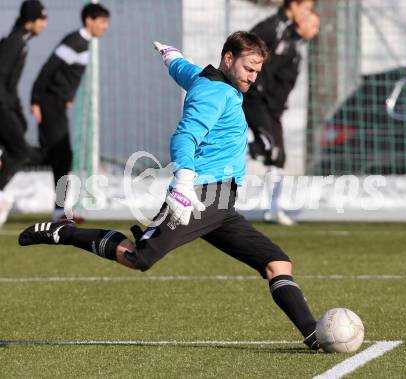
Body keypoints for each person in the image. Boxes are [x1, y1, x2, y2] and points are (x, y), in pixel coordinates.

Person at [19, 31, 320, 350]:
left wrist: (171, 57)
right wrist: (183, 184)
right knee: (138, 258)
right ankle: (63, 232)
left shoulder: (209, 81)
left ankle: (312, 334)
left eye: (257, 71)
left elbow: (186, 70)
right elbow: (184, 137)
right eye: (249, 68)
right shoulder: (216, 93)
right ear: (228, 59)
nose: (253, 77)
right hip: (198, 198)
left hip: (221, 206)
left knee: (277, 262)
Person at [30, 3, 110, 222]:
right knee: (58, 154)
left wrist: (68, 97)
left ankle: (59, 211)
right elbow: (48, 69)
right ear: (89, 21)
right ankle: (10, 156)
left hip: (57, 103)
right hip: (49, 102)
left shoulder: (83, 43)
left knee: (60, 155)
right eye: (102, 22)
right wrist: (36, 100)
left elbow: (65, 76)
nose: (106, 27)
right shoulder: (74, 41)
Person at [243, 0, 319, 225]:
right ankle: (227, 156)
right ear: (294, 5)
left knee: (278, 156)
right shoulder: (271, 28)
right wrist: (250, 84)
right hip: (255, 100)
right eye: (306, 9)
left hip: (272, 107)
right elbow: (244, 50)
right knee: (268, 147)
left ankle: (273, 209)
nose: (308, 16)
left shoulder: (291, 40)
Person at [0, 0, 48, 226]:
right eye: (42, 19)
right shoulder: (14, 42)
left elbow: (11, 85)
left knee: (15, 149)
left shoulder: (20, 41)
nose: (45, 24)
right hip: (1, 106)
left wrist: (18, 115)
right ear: (30, 21)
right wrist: (9, 112)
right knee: (19, 150)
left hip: (6, 105)